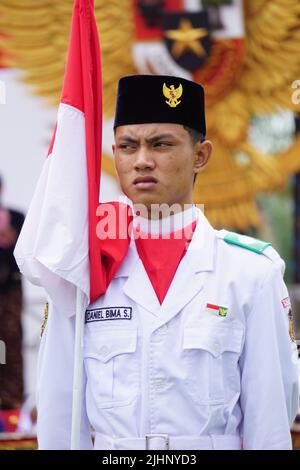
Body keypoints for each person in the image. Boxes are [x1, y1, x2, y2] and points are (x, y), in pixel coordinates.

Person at [36, 75, 298, 450]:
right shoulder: (82, 266)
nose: (142, 160)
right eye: (128, 146)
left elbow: (271, 414)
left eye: (161, 144)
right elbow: (59, 408)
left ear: (200, 155)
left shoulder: (250, 271)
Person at [0, 176, 25, 424]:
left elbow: (27, 257)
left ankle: (11, 406)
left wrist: (11, 240)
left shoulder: (16, 218)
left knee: (9, 345)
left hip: (9, 294)